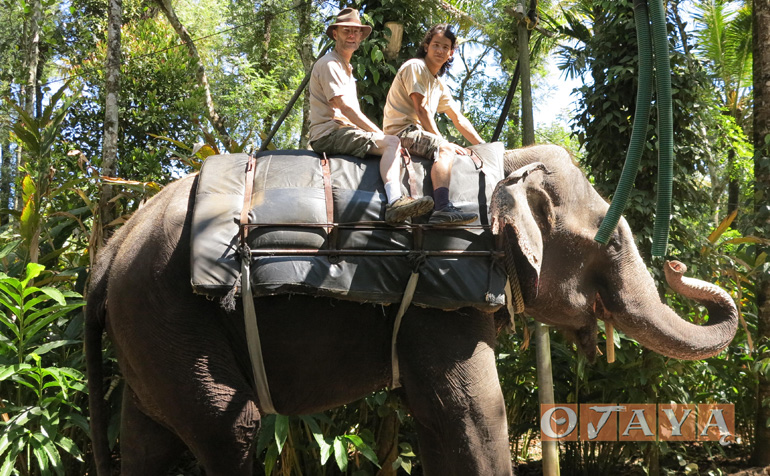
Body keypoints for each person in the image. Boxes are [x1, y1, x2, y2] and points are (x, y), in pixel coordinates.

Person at [308, 8, 434, 225]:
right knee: (391, 142)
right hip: (329, 133)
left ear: (360, 38)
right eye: (346, 30)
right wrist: (380, 135)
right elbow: (346, 109)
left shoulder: (345, 66)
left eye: (356, 32)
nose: (351, 35)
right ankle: (395, 201)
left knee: (392, 144)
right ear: (335, 34)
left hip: (343, 131)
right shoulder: (330, 64)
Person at [383, 24, 485, 226]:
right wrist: (442, 142)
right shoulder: (416, 67)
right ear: (426, 46)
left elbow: (458, 118)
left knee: (450, 147)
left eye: (445, 47)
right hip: (401, 132)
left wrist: (483, 146)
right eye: (436, 45)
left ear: (451, 53)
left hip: (417, 132)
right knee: (445, 148)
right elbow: (420, 109)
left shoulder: (438, 84)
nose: (440, 50)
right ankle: (442, 208)